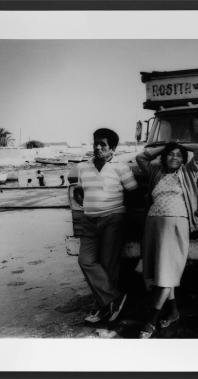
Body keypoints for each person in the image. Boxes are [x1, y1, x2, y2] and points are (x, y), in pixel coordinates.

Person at [136, 141, 198, 338]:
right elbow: (141, 157)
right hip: (153, 223)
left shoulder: (188, 172)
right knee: (160, 270)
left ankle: (151, 320)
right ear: (165, 156)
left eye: (179, 155)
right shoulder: (155, 172)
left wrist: (180, 145)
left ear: (184, 159)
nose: (175, 158)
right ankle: (174, 311)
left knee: (169, 271)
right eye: (171, 154)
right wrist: (167, 146)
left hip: (176, 224)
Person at [75, 128, 138, 324]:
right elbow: (79, 191)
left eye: (103, 144)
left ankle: (102, 307)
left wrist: (121, 214)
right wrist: (88, 203)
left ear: (113, 148)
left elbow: (134, 193)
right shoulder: (83, 167)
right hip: (89, 221)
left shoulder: (121, 167)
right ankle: (114, 299)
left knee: (108, 264)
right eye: (96, 143)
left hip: (113, 219)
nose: (98, 147)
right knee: (85, 261)